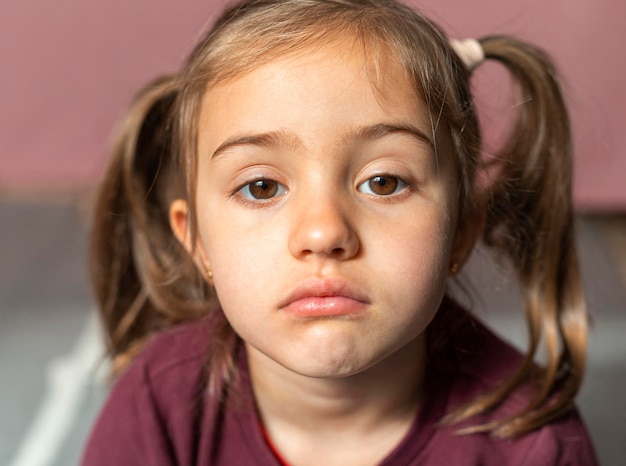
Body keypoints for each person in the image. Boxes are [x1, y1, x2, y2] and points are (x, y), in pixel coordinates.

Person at [81, 0, 598, 464]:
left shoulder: (534, 444)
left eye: (383, 181)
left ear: (461, 229)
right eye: (261, 187)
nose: (324, 232)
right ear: (196, 240)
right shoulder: (156, 404)